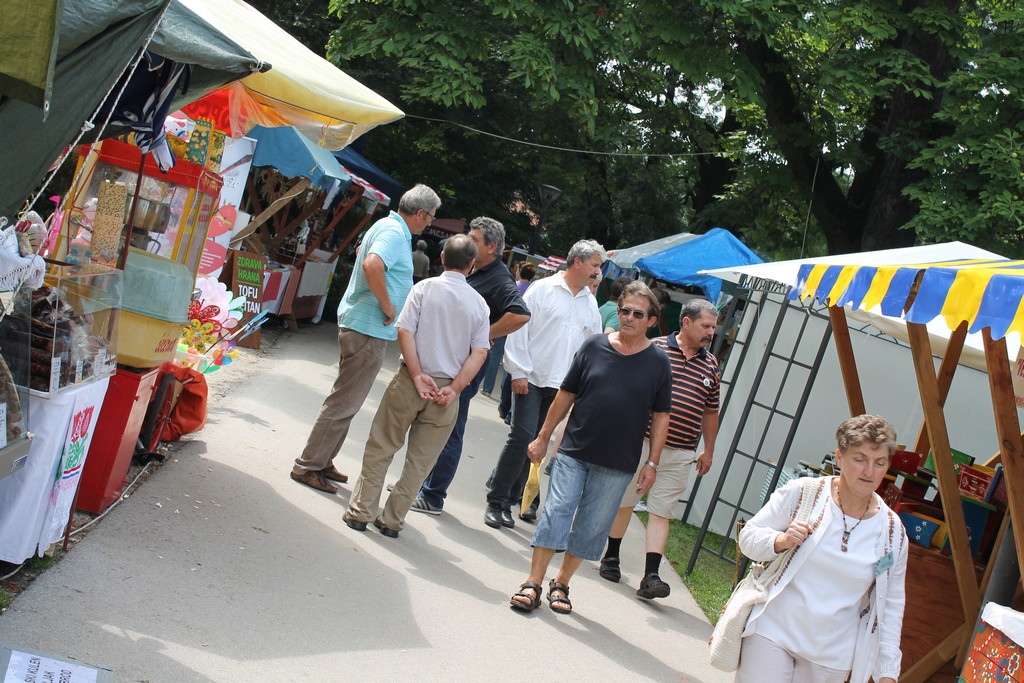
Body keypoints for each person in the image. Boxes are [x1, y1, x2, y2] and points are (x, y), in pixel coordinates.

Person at [508, 282, 672, 614]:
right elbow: (566, 393)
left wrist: (652, 463)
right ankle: (533, 582)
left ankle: (562, 583)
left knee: (592, 526)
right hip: (574, 450)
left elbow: (661, 416)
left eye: (638, 314)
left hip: (618, 462)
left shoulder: (658, 362)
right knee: (556, 511)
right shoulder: (594, 345)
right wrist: (543, 436)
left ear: (652, 321)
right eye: (625, 310)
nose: (628, 318)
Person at [734, 414, 908, 683]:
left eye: (879, 463)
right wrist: (780, 541)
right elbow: (748, 537)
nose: (869, 471)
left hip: (832, 657)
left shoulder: (892, 531)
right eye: (860, 459)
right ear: (840, 458)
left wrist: (887, 673)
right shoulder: (804, 493)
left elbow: (891, 605)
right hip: (773, 631)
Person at [290, 184, 440, 494]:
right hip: (368, 327)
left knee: (348, 399)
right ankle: (308, 465)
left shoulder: (388, 226)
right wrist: (388, 305)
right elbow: (372, 263)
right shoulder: (396, 233)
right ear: (420, 213)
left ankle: (322, 460)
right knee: (345, 401)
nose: (429, 223)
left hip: (364, 324)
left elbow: (362, 254)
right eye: (430, 217)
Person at [342, 235, 490, 537]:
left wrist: (417, 373)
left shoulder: (423, 288)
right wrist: (455, 388)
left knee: (381, 446)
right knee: (420, 463)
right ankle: (392, 520)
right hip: (446, 392)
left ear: (442, 258)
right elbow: (480, 353)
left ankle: (361, 511)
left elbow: (405, 331)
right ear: (472, 265)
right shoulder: (479, 304)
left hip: (410, 380)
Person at [599, 298, 720, 599]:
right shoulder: (654, 349)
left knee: (662, 511)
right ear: (687, 322)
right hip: (640, 442)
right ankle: (611, 556)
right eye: (706, 326)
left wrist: (709, 449)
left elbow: (710, 412)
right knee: (625, 500)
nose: (711, 332)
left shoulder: (711, 364)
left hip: (681, 451)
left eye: (714, 327)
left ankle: (651, 576)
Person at [411, 217, 530, 515]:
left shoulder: (499, 278)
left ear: (492, 246)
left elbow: (520, 314)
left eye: (475, 239)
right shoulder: (475, 269)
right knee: (434, 423)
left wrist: (485, 334)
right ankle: (417, 485)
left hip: (468, 364)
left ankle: (433, 495)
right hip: (452, 359)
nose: (468, 241)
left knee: (451, 427)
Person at [484, 240, 605, 530]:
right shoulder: (543, 289)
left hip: (562, 388)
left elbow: (593, 348)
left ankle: (514, 499)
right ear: (578, 262)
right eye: (595, 265)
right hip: (532, 378)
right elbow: (519, 330)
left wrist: (584, 386)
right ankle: (497, 501)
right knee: (522, 436)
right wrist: (518, 372)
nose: (598, 272)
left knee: (537, 443)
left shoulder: (590, 303)